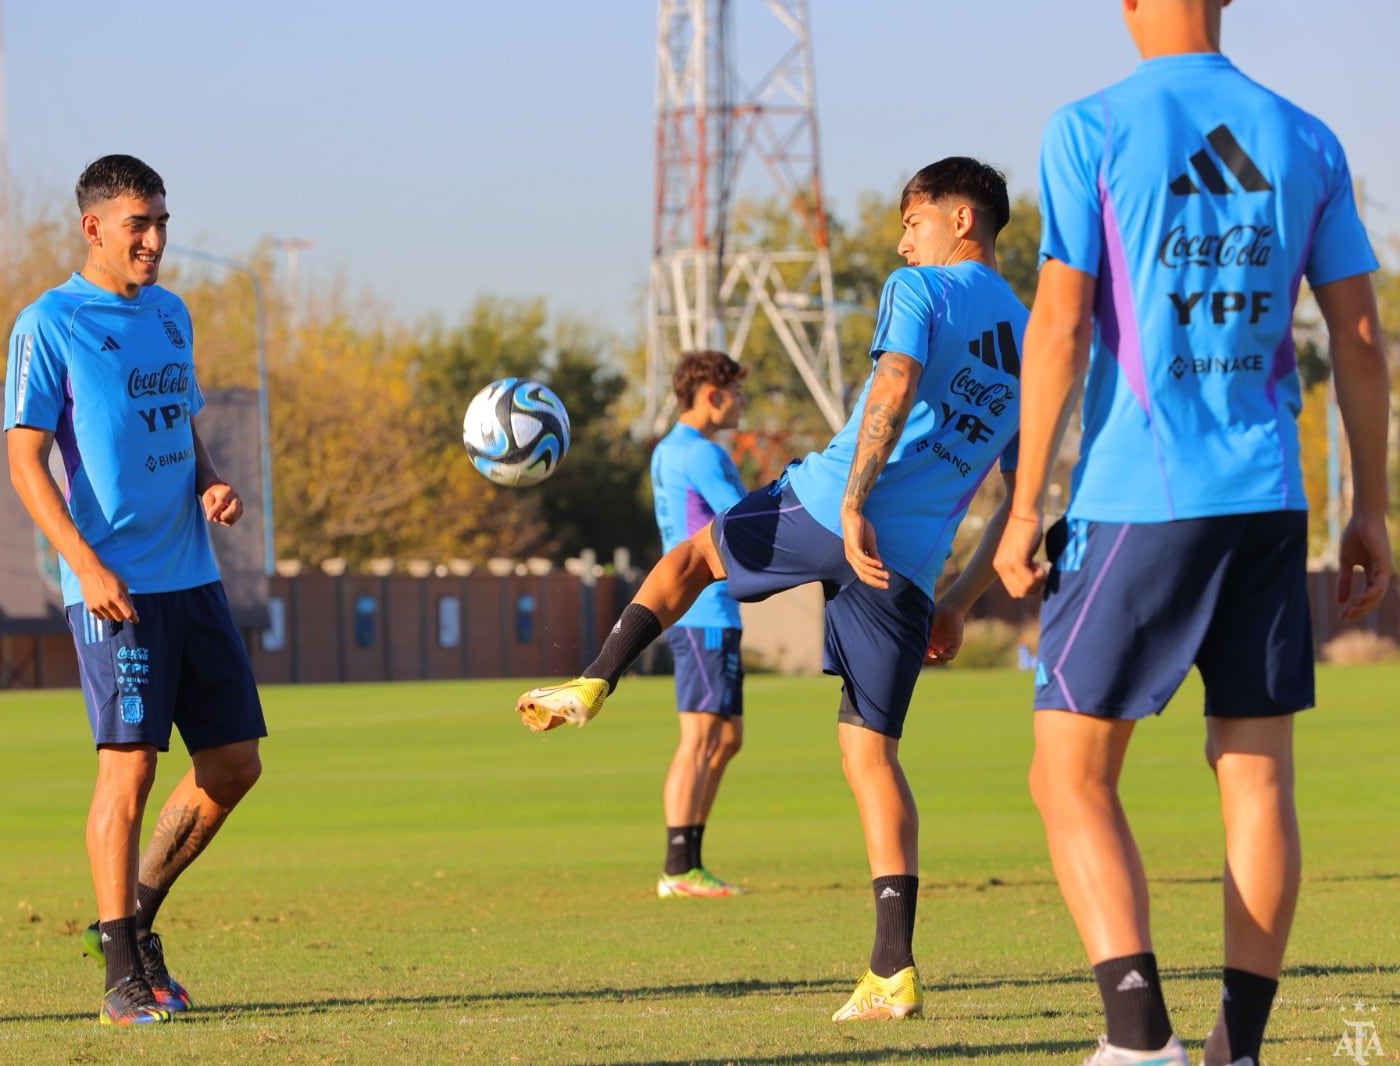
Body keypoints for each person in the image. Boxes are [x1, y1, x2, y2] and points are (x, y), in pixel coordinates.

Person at [520, 157, 1029, 1023]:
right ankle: (892, 971)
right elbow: (1022, 502)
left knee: (691, 561)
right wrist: (961, 598)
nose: (902, 243)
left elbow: (896, 383)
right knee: (871, 757)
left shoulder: (921, 291)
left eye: (913, 222)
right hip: (909, 566)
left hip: (830, 506)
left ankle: (594, 681)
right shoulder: (1036, 339)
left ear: (962, 219)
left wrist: (856, 503)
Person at [992, 3, 1393, 1064]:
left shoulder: (1091, 126)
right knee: (1256, 774)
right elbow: (1359, 338)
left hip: (1141, 494)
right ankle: (1238, 1048)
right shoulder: (1305, 136)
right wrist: (1369, 506)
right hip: (1269, 495)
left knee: (1067, 771)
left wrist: (1024, 504)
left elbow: (1060, 325)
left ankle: (1138, 1041)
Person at [4, 155, 268, 1026]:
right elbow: (24, 461)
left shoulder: (170, 313)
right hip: (115, 586)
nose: (154, 240)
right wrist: (84, 564)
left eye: (160, 222)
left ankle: (131, 919)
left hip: (193, 574)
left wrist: (210, 481)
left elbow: (181, 424)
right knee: (131, 769)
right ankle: (122, 974)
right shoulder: (50, 323)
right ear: (93, 229)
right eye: (137, 225)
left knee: (234, 764)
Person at [649, 350, 751, 899]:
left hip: (707, 611)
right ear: (712, 395)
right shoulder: (703, 453)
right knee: (699, 739)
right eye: (737, 393)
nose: (743, 403)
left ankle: (689, 861)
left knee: (727, 737)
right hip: (704, 612)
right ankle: (679, 868)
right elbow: (746, 518)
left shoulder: (668, 449)